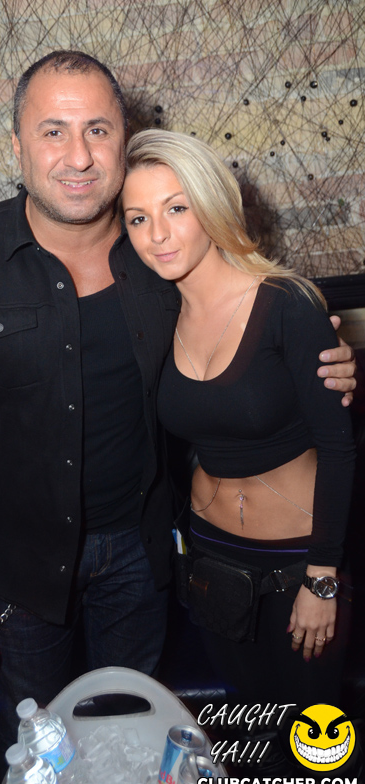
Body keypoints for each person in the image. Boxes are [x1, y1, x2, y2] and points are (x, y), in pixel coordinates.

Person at [0, 51, 354, 784]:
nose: (78, 156)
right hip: (16, 569)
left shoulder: (157, 256)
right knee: (34, 749)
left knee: (134, 741)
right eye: (53, 131)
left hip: (142, 556)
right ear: (17, 146)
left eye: (97, 130)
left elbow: (242, 324)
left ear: (122, 139)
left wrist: (325, 358)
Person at [122, 128, 356, 709]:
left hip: (297, 559)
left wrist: (322, 576)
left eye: (177, 208)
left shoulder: (287, 303)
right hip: (209, 556)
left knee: (317, 732)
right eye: (137, 218)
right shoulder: (156, 314)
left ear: (211, 205)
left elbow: (339, 448)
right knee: (254, 722)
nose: (157, 234)